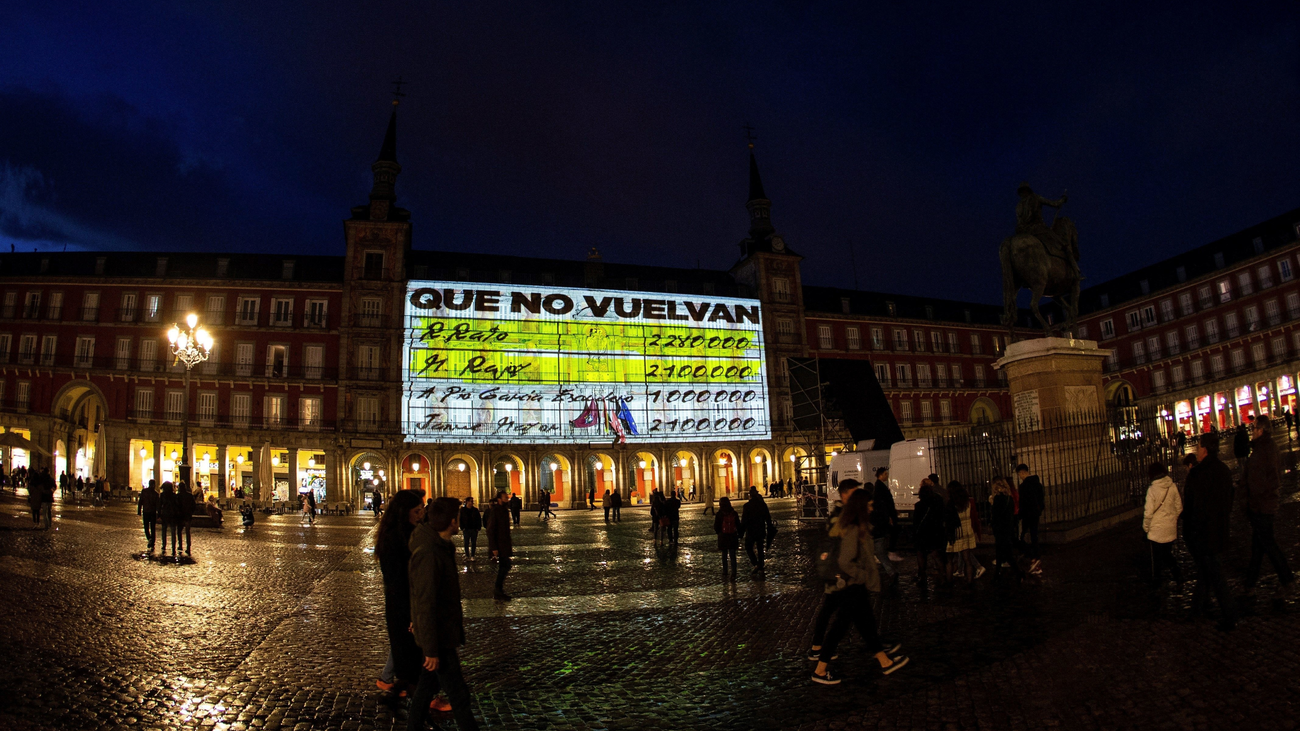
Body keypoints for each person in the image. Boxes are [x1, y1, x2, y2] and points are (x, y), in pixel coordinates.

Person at [811, 489, 909, 685]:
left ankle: (884, 660)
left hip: (854, 585)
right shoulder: (853, 528)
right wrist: (863, 575)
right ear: (862, 507)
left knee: (866, 624)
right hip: (851, 585)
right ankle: (820, 670)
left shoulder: (857, 525)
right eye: (870, 505)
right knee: (841, 628)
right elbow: (846, 560)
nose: (872, 508)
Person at [407, 496, 482, 731]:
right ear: (452, 521)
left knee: (425, 688)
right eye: (458, 517)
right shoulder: (430, 552)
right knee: (458, 695)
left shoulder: (441, 546)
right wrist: (430, 648)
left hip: (442, 630)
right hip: (440, 637)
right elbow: (425, 599)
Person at [1183, 433, 1238, 631]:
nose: (1197, 451)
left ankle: (1230, 615)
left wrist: (1190, 532)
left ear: (1204, 449)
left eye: (1198, 447)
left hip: (1202, 533)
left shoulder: (1197, 474)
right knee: (1206, 572)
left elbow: (1190, 508)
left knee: (1216, 576)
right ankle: (1195, 611)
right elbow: (1230, 499)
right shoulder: (1224, 470)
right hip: (1219, 529)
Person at [374, 489, 426, 697]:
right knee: (412, 656)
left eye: (422, 510)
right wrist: (410, 613)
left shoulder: (408, 532)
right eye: (417, 511)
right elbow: (397, 581)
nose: (421, 515)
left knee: (407, 653)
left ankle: (399, 686)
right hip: (403, 605)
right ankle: (417, 696)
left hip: (408, 604)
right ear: (404, 512)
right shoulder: (395, 539)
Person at [1241, 415, 1295, 602]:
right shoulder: (1268, 447)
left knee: (1268, 544)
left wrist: (1250, 504)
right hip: (1265, 504)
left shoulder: (1262, 451)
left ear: (1261, 430)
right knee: (1259, 546)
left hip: (1261, 506)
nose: (1252, 431)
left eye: (1254, 428)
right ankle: (1249, 585)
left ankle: (1287, 580)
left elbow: (1258, 482)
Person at [807, 478, 862, 661]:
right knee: (843, 615)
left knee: (831, 610)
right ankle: (820, 654)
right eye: (854, 493)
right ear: (845, 495)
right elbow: (836, 544)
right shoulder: (840, 515)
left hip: (837, 572)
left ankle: (817, 647)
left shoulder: (843, 512)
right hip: (838, 573)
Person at [1142, 462, 1184, 588]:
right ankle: (1177, 573)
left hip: (1156, 530)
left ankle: (1157, 581)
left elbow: (1148, 513)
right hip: (1170, 528)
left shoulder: (1152, 490)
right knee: (1167, 554)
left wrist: (1146, 528)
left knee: (1157, 558)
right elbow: (1179, 507)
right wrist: (1172, 519)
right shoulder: (1172, 486)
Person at [912, 479, 947, 597]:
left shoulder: (918, 506)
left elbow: (916, 522)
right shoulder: (936, 503)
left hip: (922, 534)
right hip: (934, 533)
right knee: (936, 556)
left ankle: (923, 577)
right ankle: (943, 577)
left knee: (921, 557)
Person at [945, 482, 984, 585]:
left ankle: (949, 582)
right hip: (966, 531)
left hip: (955, 533)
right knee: (967, 560)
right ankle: (969, 581)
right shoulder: (967, 502)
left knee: (949, 560)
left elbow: (948, 520)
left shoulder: (951, 504)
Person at [869, 467, 899, 585]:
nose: (887, 476)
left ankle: (889, 571)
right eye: (885, 474)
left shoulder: (879, 487)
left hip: (878, 528)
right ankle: (889, 571)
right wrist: (889, 516)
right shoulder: (879, 488)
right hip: (879, 525)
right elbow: (884, 504)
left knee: (879, 552)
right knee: (879, 551)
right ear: (880, 474)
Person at [990, 477, 1021, 581]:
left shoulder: (998, 499)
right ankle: (997, 574)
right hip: (1008, 528)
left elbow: (995, 516)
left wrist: (992, 504)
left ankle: (1019, 573)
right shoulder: (1009, 498)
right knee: (1001, 552)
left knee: (1006, 554)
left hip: (1000, 529)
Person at [1016, 464, 1044, 574]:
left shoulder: (1023, 487)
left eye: (1019, 475)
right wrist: (1039, 510)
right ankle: (1035, 559)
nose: (1020, 477)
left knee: (1022, 536)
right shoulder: (1037, 484)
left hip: (1027, 515)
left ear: (1022, 473)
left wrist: (1020, 516)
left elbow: (1023, 503)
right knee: (1034, 535)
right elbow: (1041, 500)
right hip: (1035, 514)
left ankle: (1033, 557)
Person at [486, 490, 513, 601]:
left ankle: (499, 590)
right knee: (505, 565)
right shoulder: (496, 511)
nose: (507, 499)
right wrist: (494, 547)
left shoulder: (504, 510)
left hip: (504, 544)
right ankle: (498, 590)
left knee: (505, 565)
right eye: (505, 497)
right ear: (499, 499)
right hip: (499, 545)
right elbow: (490, 529)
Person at [741, 488, 774, 575]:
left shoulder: (747, 506)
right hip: (760, 529)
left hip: (751, 530)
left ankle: (756, 563)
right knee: (760, 549)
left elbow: (744, 520)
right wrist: (769, 527)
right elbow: (768, 517)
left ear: (750, 495)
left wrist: (741, 532)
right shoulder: (762, 505)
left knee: (748, 547)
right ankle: (761, 566)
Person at [714, 496, 741, 580]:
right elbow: (738, 524)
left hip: (723, 536)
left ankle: (725, 571)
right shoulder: (733, 513)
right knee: (732, 555)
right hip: (732, 536)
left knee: (724, 554)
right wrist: (739, 534)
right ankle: (734, 572)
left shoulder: (719, 514)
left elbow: (716, 526)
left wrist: (719, 532)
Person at [158, 482, 180, 558]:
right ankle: (173, 546)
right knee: (173, 531)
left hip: (165, 514)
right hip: (172, 514)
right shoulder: (174, 495)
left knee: (164, 530)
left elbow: (159, 505)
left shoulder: (162, 495)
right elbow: (177, 505)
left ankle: (164, 545)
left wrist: (159, 514)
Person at [139, 479, 159, 551]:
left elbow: (140, 501)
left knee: (146, 527)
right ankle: (152, 541)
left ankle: (150, 538)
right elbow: (158, 505)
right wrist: (158, 513)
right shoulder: (156, 494)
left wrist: (139, 510)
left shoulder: (144, 492)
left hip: (146, 511)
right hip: (152, 512)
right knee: (153, 528)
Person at [176, 480, 195, 556]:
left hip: (181, 516)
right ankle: (188, 547)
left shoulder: (178, 496)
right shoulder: (189, 496)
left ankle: (180, 545)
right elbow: (194, 505)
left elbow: (176, 506)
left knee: (179, 531)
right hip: (187, 516)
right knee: (187, 532)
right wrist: (191, 512)